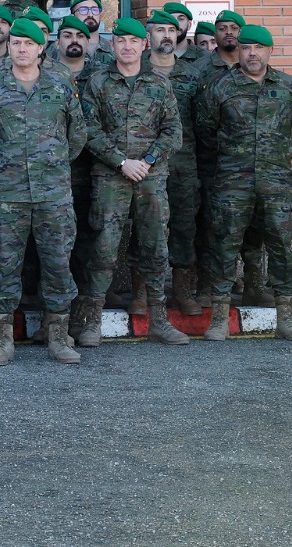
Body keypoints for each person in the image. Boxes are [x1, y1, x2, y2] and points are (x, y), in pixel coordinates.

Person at [0, 17, 86, 367]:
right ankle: (3, 341)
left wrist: (51, 164)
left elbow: (76, 136)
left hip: (53, 194)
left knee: (57, 264)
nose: (20, 48)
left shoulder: (60, 86)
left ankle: (59, 337)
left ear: (40, 48)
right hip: (8, 195)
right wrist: (4, 166)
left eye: (28, 44)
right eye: (15, 43)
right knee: (4, 265)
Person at [75, 18, 187, 347]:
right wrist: (121, 161)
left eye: (133, 41)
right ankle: (91, 322)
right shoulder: (97, 83)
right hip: (110, 177)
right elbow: (87, 131)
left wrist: (147, 161)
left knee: (155, 248)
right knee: (103, 249)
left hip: (151, 179)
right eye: (120, 40)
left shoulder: (159, 83)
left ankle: (159, 321)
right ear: (112, 46)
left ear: (144, 45)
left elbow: (173, 131)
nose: (126, 46)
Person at [196, 24, 292, 342]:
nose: (252, 53)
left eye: (259, 48)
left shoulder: (288, 87)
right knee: (224, 247)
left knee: (281, 248)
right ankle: (219, 319)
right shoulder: (220, 86)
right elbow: (206, 130)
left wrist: (275, 154)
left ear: (269, 51)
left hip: (276, 181)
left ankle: (285, 318)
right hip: (232, 181)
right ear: (240, 51)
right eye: (246, 48)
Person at [146, 11, 205, 314]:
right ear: (149, 36)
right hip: (144, 166)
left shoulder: (193, 74)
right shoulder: (135, 69)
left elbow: (206, 122)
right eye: (160, 30)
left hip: (184, 164)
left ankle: (182, 290)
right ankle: (141, 293)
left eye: (171, 29)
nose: (167, 35)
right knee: (144, 227)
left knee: (184, 226)